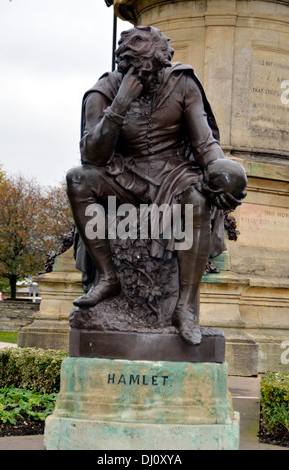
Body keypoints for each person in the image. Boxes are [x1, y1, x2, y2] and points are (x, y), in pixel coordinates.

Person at [66, 26, 247, 345]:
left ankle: (185, 308)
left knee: (198, 198)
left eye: (158, 69)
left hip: (173, 175)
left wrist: (223, 172)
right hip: (123, 177)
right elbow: (92, 156)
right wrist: (120, 103)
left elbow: (204, 143)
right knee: (78, 180)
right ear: (129, 69)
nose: (155, 77)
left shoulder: (182, 82)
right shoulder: (103, 92)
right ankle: (109, 278)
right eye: (146, 73)